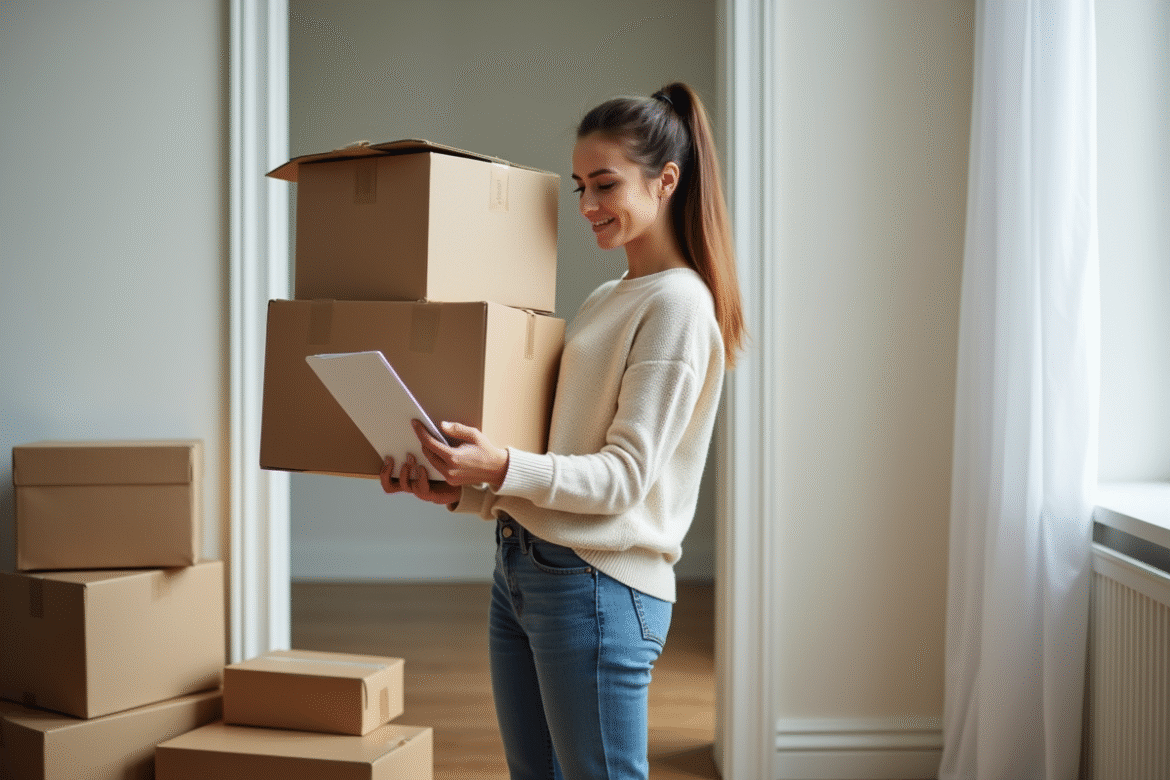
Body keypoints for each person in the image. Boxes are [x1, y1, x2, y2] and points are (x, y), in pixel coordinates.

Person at [380, 81, 745, 780]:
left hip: (598, 587)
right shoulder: (609, 296)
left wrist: (498, 469)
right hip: (524, 565)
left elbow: (622, 479)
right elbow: (561, 457)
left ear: (667, 180)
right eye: (579, 186)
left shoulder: (679, 306)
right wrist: (464, 491)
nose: (585, 207)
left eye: (603, 185)